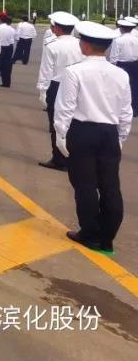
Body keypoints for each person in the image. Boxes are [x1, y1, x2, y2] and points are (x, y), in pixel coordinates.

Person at [54, 20, 131, 253]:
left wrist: (60, 135)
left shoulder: (75, 71)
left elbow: (65, 108)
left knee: (85, 185)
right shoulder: (120, 74)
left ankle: (89, 232)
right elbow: (126, 111)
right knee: (110, 186)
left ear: (85, 45)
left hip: (83, 131)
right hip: (109, 132)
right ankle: (107, 236)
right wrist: (120, 138)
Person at [37, 11, 82, 171]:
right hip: (78, 86)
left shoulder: (52, 46)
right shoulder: (81, 44)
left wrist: (42, 90)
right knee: (75, 122)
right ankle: (73, 158)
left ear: (56, 28)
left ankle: (59, 159)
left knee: (57, 123)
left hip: (57, 86)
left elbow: (46, 71)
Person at [108, 17, 138, 113]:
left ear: (121, 28)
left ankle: (121, 110)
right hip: (135, 64)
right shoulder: (136, 39)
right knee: (135, 86)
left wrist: (112, 68)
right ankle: (135, 109)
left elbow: (113, 57)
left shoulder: (118, 40)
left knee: (121, 87)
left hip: (122, 65)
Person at [0, 14, 17, 87]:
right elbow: (15, 38)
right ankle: (6, 83)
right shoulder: (12, 29)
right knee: (7, 66)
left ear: (0, 20)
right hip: (9, 48)